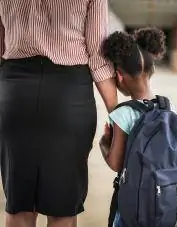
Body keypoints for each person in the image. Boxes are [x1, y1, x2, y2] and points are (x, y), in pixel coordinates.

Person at [0, 0, 117, 227]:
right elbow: (97, 55)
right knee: (62, 206)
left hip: (15, 94)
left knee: (19, 202)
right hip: (69, 96)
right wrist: (117, 113)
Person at [99, 27, 167, 226]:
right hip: (161, 203)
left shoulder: (123, 114)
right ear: (150, 71)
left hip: (134, 207)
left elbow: (116, 163)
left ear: (119, 76)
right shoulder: (168, 107)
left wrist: (105, 142)